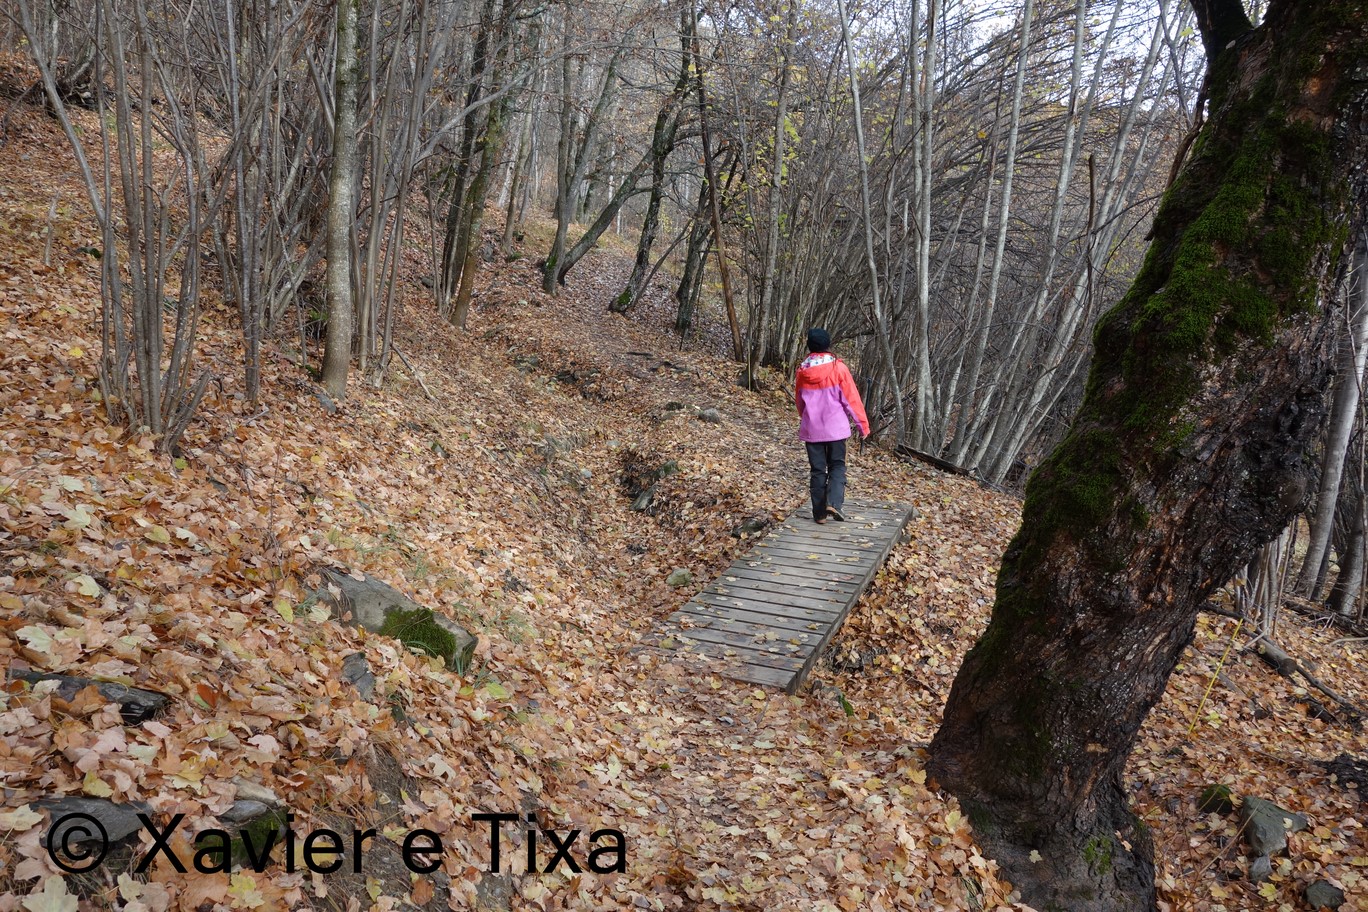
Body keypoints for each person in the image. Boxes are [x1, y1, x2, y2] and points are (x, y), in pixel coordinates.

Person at [795, 328, 870, 524]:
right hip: (836, 430)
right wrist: (863, 425)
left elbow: (800, 402)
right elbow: (851, 400)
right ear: (828, 345)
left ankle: (819, 515)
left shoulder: (802, 371)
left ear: (809, 346)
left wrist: (806, 417)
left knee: (817, 471)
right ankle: (834, 503)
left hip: (812, 429)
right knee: (837, 466)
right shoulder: (839, 368)